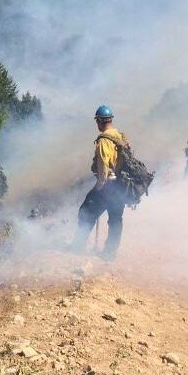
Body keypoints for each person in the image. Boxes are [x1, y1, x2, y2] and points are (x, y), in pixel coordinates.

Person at [75, 105, 130, 261]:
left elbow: (104, 167)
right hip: (121, 186)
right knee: (116, 219)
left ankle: (77, 247)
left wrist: (99, 186)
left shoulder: (104, 140)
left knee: (86, 212)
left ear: (99, 120)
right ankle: (109, 254)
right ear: (111, 119)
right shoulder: (120, 136)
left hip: (108, 185)